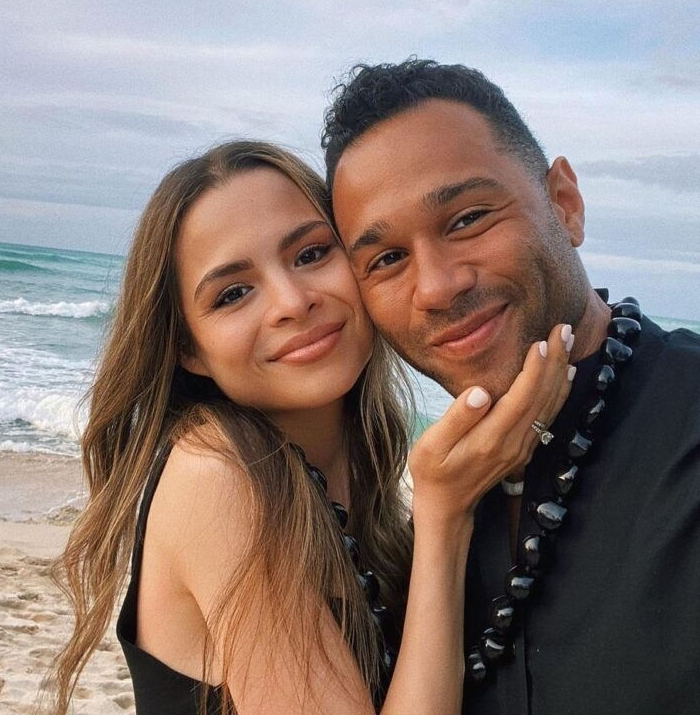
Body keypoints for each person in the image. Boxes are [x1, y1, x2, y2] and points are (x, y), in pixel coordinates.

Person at [50, 140, 574, 715]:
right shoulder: (217, 474)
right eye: (233, 294)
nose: (292, 302)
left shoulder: (344, 469)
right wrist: (443, 516)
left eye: (310, 254)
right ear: (187, 347)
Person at [322, 58, 700, 715]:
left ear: (564, 204)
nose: (436, 286)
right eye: (386, 260)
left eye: (467, 218)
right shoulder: (432, 517)